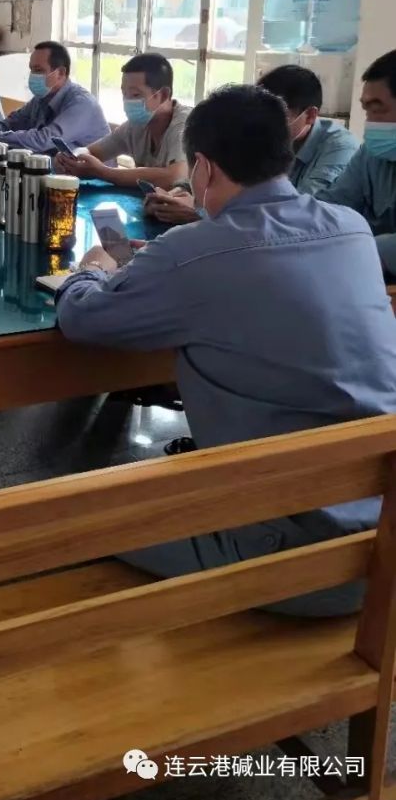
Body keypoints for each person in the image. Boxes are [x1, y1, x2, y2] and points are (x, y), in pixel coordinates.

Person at [55, 84, 396, 616]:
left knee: (62, 514)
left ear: (204, 168)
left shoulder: (191, 253)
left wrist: (91, 270)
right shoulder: (350, 230)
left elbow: (82, 319)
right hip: (383, 528)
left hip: (303, 562)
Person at [145, 64, 360, 226]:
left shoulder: (340, 147)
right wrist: (176, 193)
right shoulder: (257, 132)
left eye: (278, 115)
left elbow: (295, 216)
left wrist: (198, 213)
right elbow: (224, 168)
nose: (264, 123)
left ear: (310, 115)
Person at [56, 53, 188, 190]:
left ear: (164, 95)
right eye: (124, 94)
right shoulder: (135, 126)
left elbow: (174, 177)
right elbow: (91, 151)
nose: (127, 101)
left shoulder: (186, 126)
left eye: (136, 95)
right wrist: (72, 158)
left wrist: (103, 172)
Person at [320, 49, 396, 277]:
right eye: (366, 110)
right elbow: (332, 207)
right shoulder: (371, 155)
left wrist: (358, 249)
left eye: (377, 110)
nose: (369, 122)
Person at [0, 41, 108, 153]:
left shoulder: (81, 104)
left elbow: (42, 140)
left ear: (61, 73)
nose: (33, 76)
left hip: (93, 180)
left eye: (38, 70)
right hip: (59, 173)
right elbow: (9, 124)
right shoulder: (41, 99)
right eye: (31, 70)